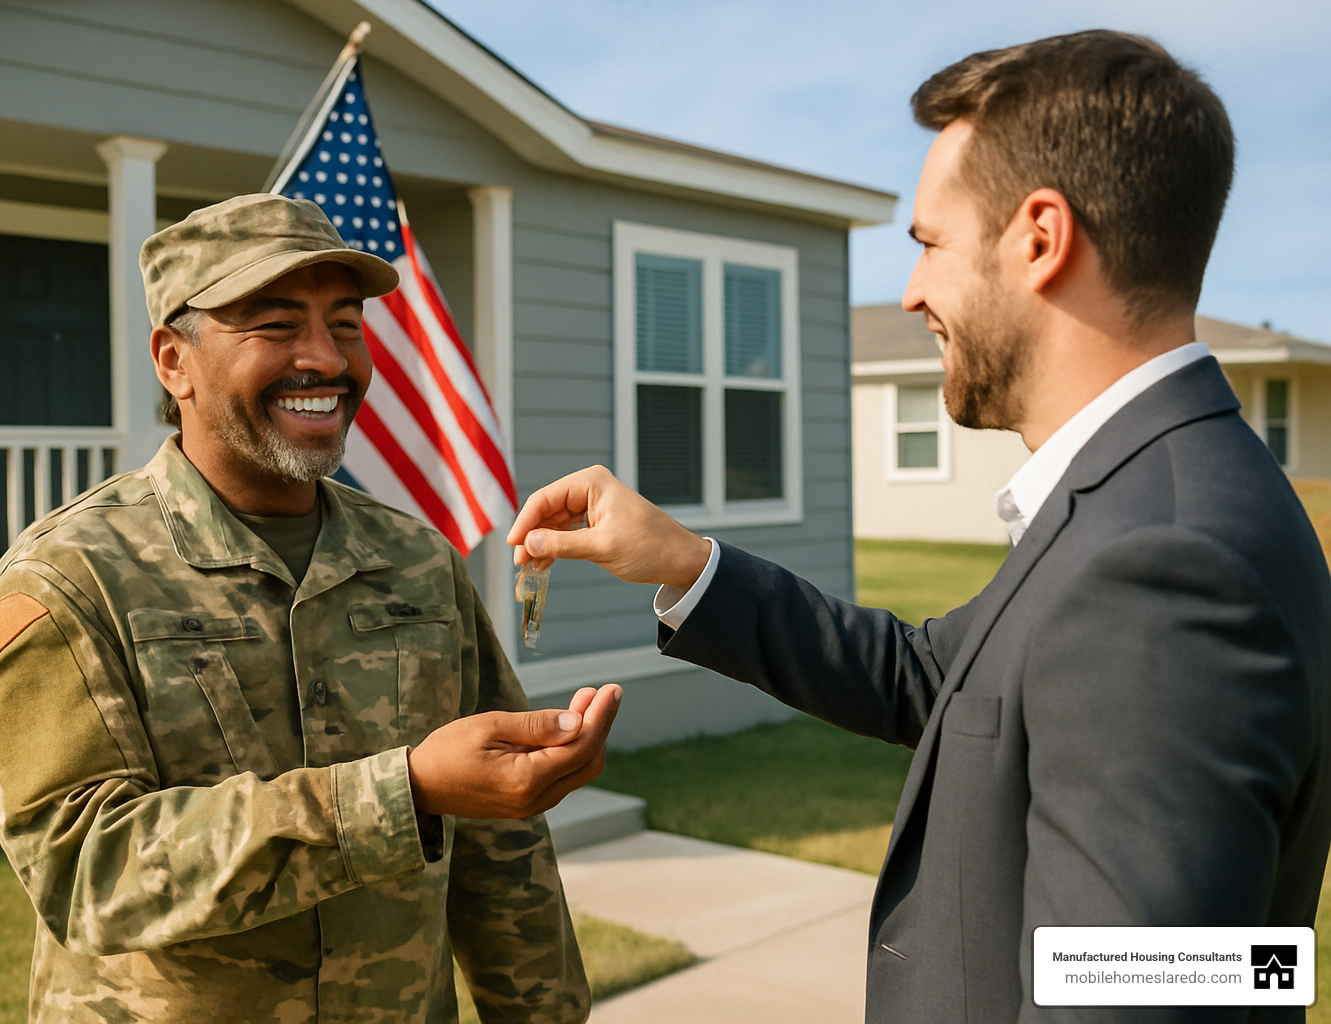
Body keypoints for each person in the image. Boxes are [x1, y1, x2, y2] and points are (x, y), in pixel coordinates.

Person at [508, 30, 1331, 1024]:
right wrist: (687, 564)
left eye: (930, 244)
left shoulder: (1165, 563)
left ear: (1041, 237)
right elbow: (945, 683)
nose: (910, 294)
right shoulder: (1150, 500)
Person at [0, 193, 617, 1024]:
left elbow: (500, 850)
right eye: (275, 326)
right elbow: (85, 873)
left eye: (345, 325)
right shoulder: (68, 580)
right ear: (175, 360)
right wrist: (402, 792)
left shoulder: (419, 563)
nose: (326, 359)